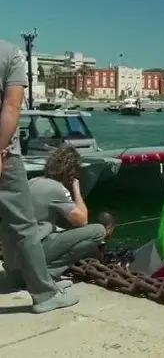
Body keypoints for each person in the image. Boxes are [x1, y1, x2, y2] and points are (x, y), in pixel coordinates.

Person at [0, 39, 78, 313]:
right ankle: (45, 294)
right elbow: (11, 106)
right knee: (23, 226)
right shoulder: (9, 54)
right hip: (5, 156)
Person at [28, 145, 110, 280]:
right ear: (71, 171)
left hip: (19, 250)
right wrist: (76, 190)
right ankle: (49, 273)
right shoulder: (57, 188)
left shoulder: (32, 181)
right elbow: (82, 221)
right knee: (98, 231)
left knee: (60, 230)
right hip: (35, 251)